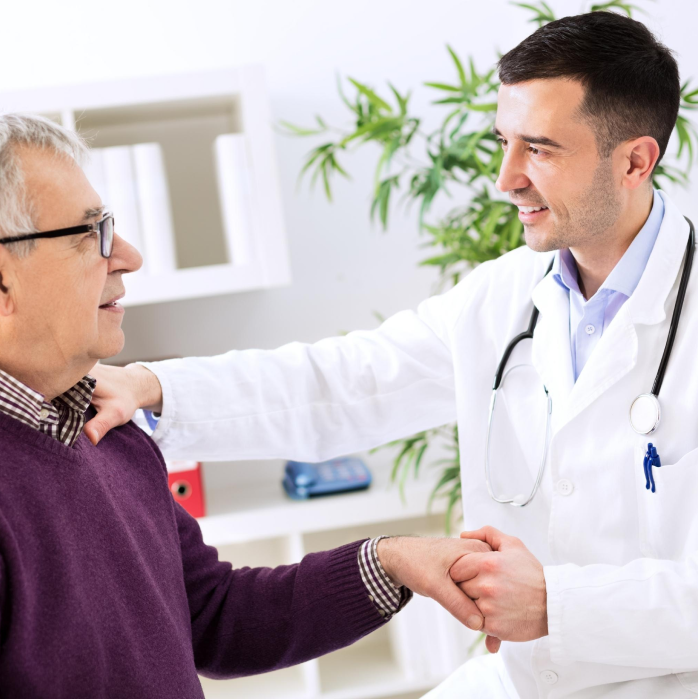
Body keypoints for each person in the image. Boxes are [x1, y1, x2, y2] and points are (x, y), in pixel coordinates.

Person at [87, 11, 698, 699]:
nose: (505, 179)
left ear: (634, 161)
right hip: (524, 680)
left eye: (540, 149)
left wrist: (558, 605)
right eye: (503, 142)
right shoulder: (501, 297)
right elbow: (343, 382)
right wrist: (151, 387)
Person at [0, 113, 492, 698]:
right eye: (91, 233)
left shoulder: (99, 424)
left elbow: (211, 614)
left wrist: (391, 561)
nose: (128, 256)